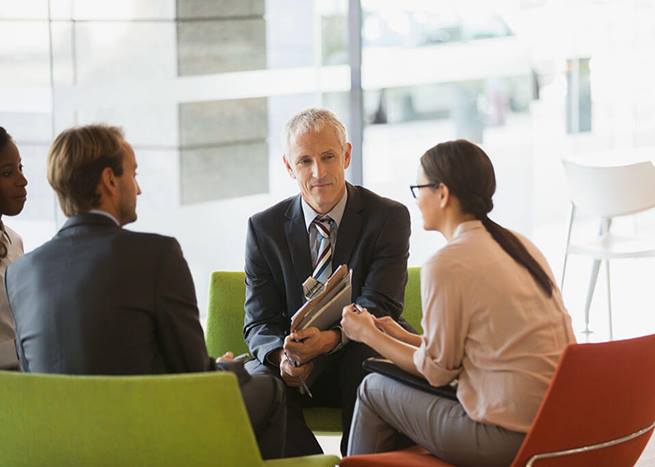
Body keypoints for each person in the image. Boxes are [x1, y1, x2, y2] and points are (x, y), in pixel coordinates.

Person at [5, 124, 286, 459]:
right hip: (147, 439)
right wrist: (230, 368)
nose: (137, 189)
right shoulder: (158, 254)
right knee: (270, 388)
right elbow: (195, 375)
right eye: (133, 174)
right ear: (110, 180)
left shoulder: (21, 272)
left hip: (61, 447)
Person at [341, 139, 576, 466]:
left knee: (373, 389)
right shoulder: (519, 245)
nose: (417, 199)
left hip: (507, 437)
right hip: (559, 427)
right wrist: (400, 335)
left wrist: (368, 334)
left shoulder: (447, 264)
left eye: (419, 187)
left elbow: (436, 373)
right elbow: (478, 350)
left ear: (442, 193)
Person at [243, 108, 411, 456]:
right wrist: (283, 357)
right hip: (296, 366)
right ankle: (310, 463)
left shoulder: (388, 217)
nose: (318, 172)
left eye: (328, 157)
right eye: (304, 161)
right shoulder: (264, 229)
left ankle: (357, 461)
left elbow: (382, 304)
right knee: (256, 380)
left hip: (357, 355)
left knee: (366, 354)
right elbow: (259, 321)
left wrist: (331, 340)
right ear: (289, 167)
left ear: (346, 155)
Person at [0, 127, 28, 370]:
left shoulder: (14, 240)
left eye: (20, 168)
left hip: (19, 385)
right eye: (7, 173)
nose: (22, 181)